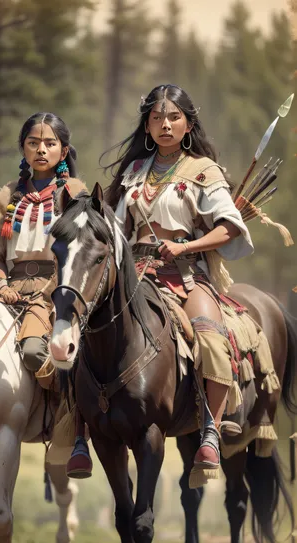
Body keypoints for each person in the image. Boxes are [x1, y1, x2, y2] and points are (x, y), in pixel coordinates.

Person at [67, 83, 256, 479]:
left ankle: (210, 430)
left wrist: (186, 249)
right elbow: (115, 228)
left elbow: (229, 228)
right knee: (80, 332)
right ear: (148, 126)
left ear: (188, 124)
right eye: (157, 118)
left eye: (174, 118)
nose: (165, 125)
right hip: (135, 275)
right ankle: (78, 433)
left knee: (211, 335)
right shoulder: (134, 173)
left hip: (187, 276)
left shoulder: (204, 170)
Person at [0, 112, 87, 383]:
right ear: (23, 148)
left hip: (56, 291)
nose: (41, 149)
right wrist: (3, 286)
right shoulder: (7, 197)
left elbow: (82, 257)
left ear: (64, 151)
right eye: (33, 142)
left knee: (33, 351)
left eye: (50, 143)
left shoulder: (75, 194)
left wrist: (52, 291)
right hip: (10, 290)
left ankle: (59, 415)